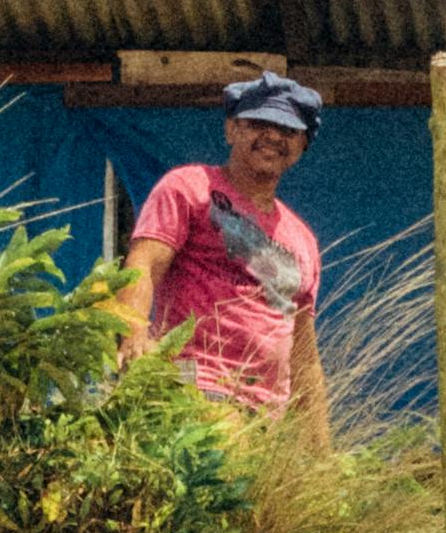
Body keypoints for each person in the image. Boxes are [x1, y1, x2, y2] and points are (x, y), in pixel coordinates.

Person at [116, 71, 330, 431]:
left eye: (289, 131)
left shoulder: (302, 238)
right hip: (196, 387)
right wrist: (134, 336)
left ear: (302, 147)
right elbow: (143, 264)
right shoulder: (188, 187)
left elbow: (304, 352)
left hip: (268, 416)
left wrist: (321, 454)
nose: (274, 135)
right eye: (259, 122)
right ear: (231, 130)